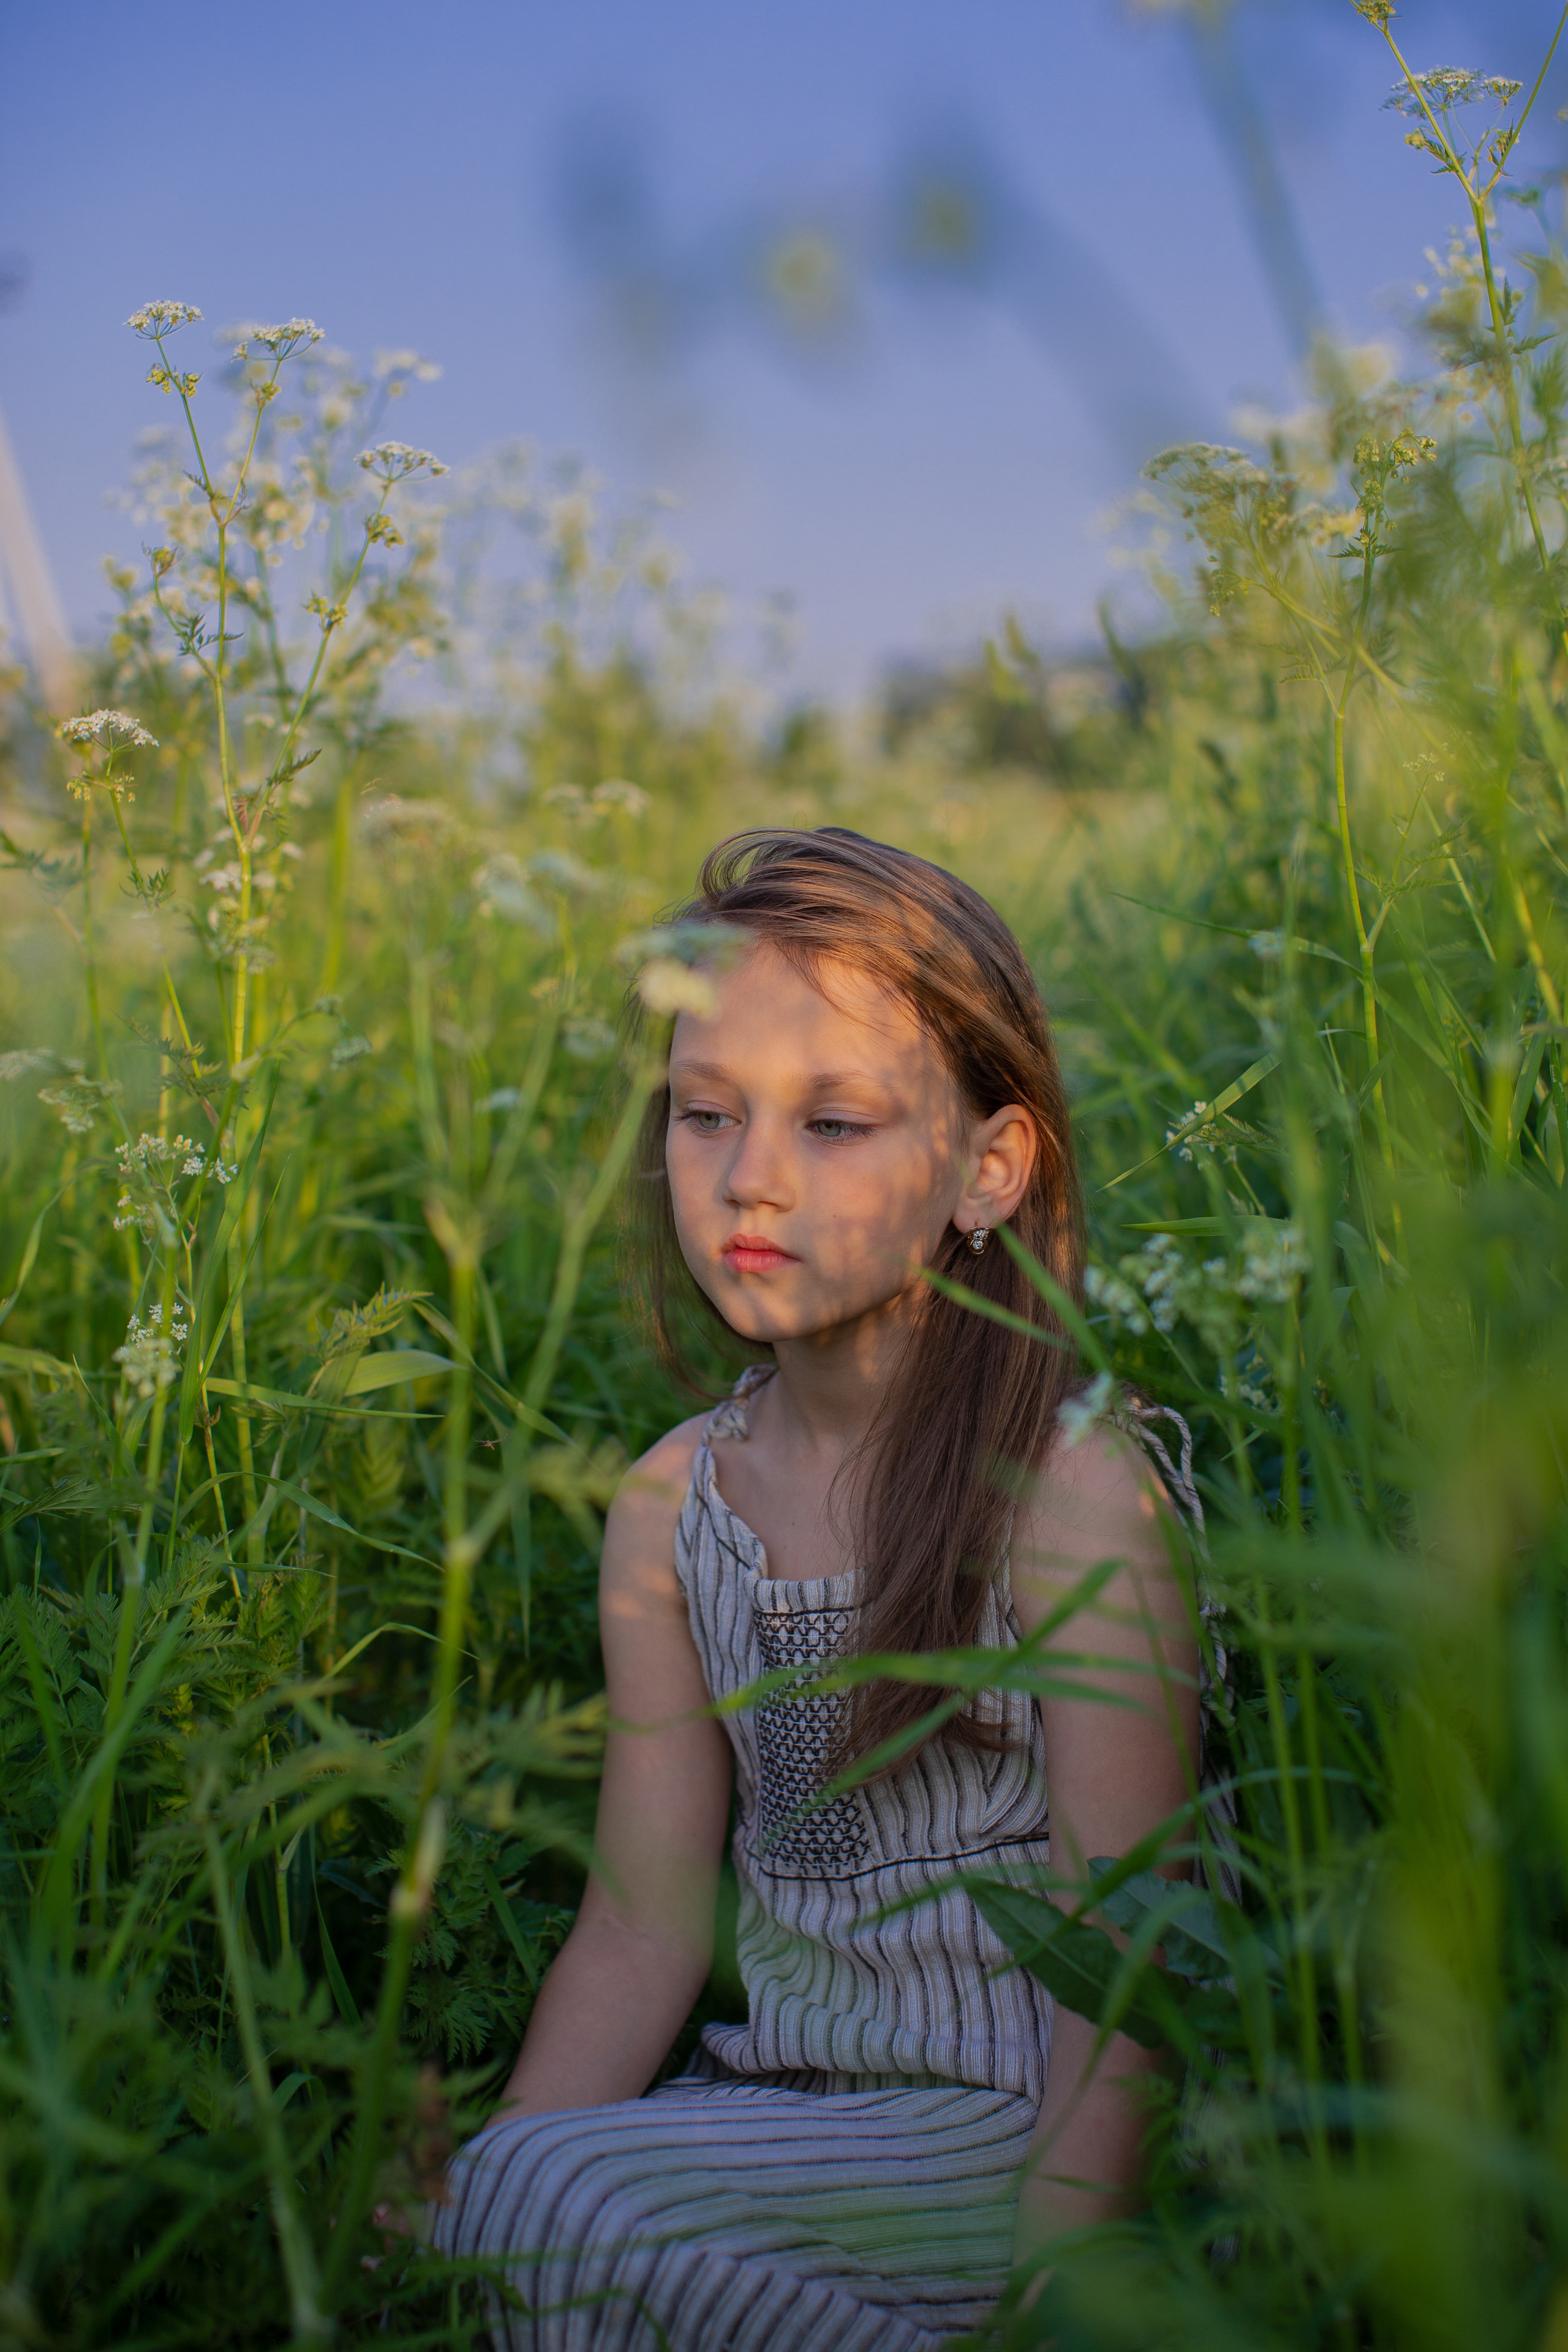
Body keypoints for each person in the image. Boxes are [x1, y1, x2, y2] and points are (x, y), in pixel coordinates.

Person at [434, 827, 1200, 2350]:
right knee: (499, 2199)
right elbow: (644, 1925)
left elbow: (1128, 1954)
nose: (751, 1178)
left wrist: (1055, 2294)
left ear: (984, 1169)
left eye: (834, 1122)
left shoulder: (1065, 1495)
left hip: (1004, 2132)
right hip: (767, 2107)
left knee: (547, 2212)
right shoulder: (672, 1507)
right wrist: (494, 2180)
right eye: (705, 1115)